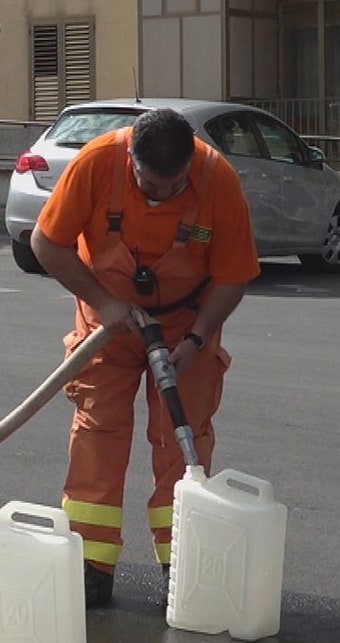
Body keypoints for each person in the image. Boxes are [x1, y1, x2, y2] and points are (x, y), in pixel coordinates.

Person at [31, 108, 260, 607]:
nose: (158, 195)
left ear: (188, 166)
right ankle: (90, 566)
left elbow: (233, 274)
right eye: (148, 184)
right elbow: (46, 243)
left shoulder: (216, 179)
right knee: (99, 432)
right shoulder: (97, 163)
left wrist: (197, 341)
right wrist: (104, 303)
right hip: (108, 321)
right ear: (131, 156)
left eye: (171, 186)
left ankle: (182, 566)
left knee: (182, 438)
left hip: (185, 327)